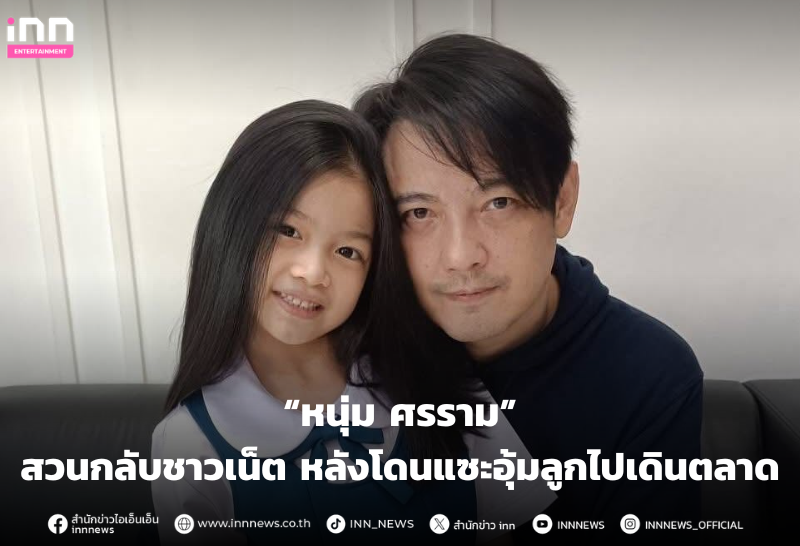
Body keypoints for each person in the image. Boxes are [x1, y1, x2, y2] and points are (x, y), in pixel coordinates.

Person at [150, 100, 555, 545]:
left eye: (348, 252)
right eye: (287, 231)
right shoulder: (189, 443)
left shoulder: (439, 375)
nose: (312, 273)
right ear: (229, 226)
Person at [354, 33, 704, 535]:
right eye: (419, 213)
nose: (460, 256)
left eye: (498, 203)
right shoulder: (349, 348)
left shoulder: (649, 373)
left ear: (562, 200)